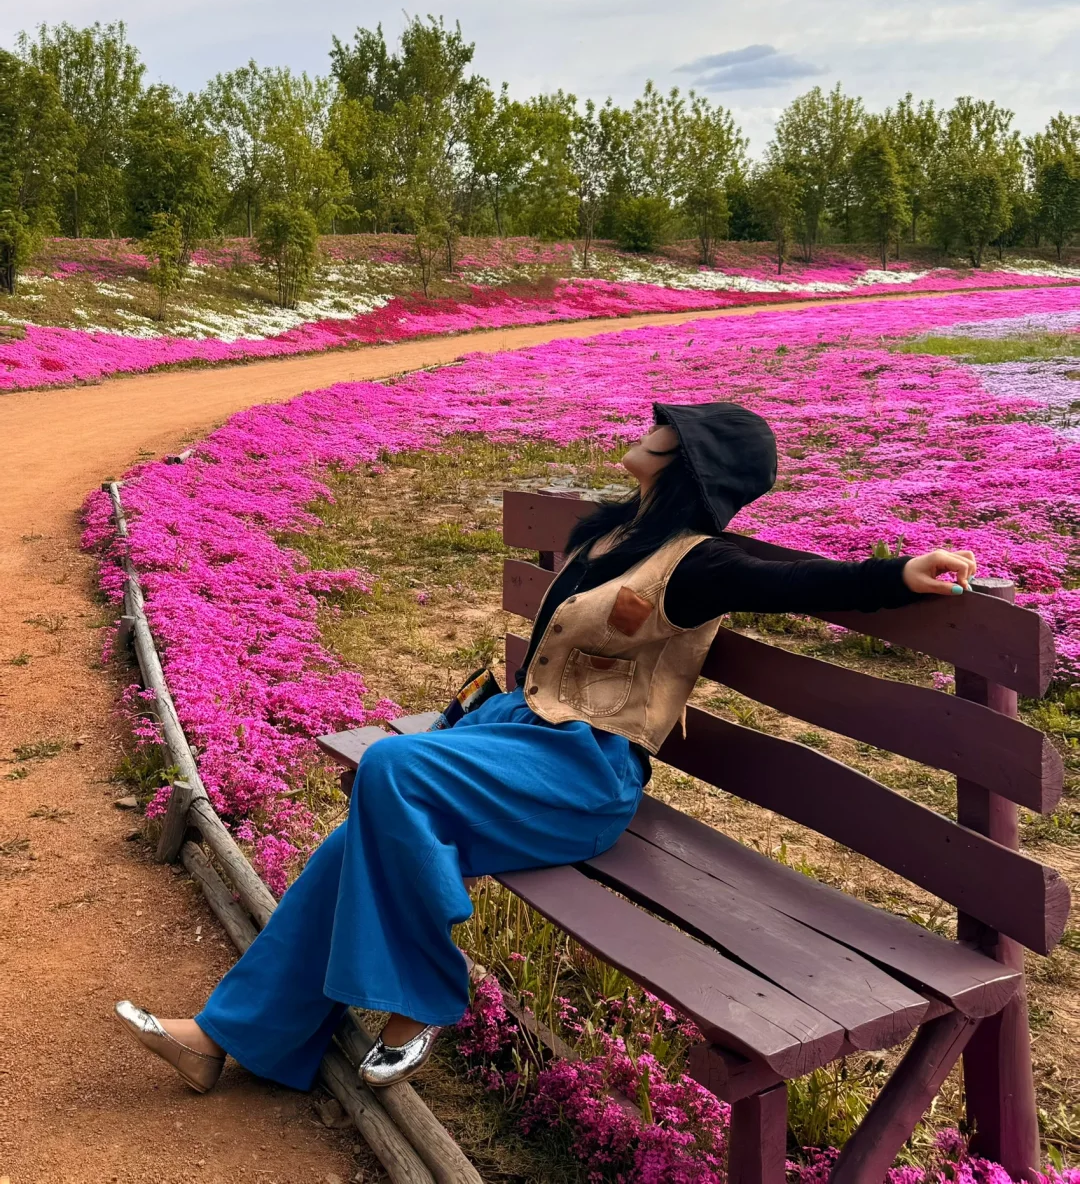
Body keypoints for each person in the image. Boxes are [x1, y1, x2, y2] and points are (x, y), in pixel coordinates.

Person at [116, 401, 977, 1095]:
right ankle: (222, 1038)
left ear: (689, 459)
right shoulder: (607, 532)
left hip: (583, 775)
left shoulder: (699, 560)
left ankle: (418, 1002)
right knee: (356, 842)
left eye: (664, 428)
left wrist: (897, 574)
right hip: (514, 741)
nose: (646, 428)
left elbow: (796, 578)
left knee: (390, 765)